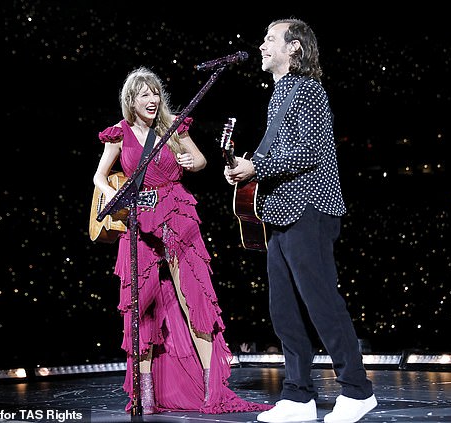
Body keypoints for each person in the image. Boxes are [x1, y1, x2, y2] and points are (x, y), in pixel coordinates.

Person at [93, 66, 272, 415]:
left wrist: (193, 160)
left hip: (177, 214)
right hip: (139, 219)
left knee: (195, 300)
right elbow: (99, 177)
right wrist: (116, 195)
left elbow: (201, 161)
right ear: (131, 99)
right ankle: (144, 395)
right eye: (144, 94)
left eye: (155, 93)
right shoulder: (119, 134)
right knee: (140, 306)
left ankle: (212, 390)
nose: (152, 99)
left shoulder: (173, 124)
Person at [224, 18, 377, 423]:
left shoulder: (308, 90)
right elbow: (274, 154)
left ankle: (358, 390)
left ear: (294, 48)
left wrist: (258, 167)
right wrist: (244, 166)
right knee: (284, 309)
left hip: (310, 208)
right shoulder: (280, 96)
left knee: (322, 303)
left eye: (270, 39)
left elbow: (310, 152)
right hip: (279, 213)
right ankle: (297, 396)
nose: (261, 46)